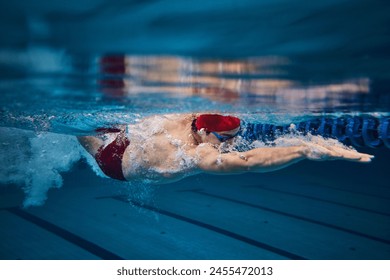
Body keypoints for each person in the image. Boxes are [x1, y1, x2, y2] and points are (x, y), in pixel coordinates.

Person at [78, 113, 374, 182]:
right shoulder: (199, 153)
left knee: (90, 128)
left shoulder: (186, 115)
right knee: (80, 135)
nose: (231, 144)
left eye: (235, 136)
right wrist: (302, 150)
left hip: (129, 137)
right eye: (225, 139)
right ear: (204, 131)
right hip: (115, 165)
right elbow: (247, 162)